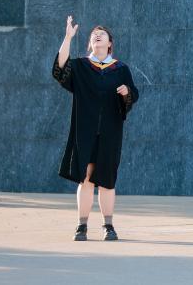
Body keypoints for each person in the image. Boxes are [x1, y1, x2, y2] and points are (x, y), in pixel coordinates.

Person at [53, 16, 139, 241]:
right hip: (85, 130)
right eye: (94, 35)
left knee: (107, 181)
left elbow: (133, 95)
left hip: (110, 131)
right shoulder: (81, 66)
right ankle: (81, 226)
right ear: (90, 43)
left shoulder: (120, 69)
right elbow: (60, 69)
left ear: (110, 43)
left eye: (102, 34)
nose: (97, 35)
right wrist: (68, 37)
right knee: (86, 179)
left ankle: (108, 226)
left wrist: (126, 93)